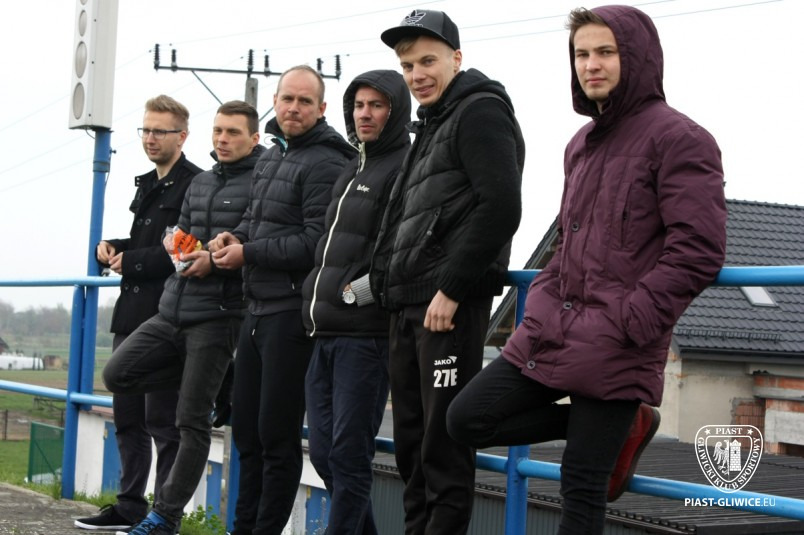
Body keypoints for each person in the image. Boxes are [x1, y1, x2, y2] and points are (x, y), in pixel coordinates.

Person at [446, 6, 727, 534]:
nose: (590, 64)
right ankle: (625, 427)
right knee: (465, 420)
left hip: (619, 340)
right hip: (554, 329)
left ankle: (611, 428)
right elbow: (567, 243)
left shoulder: (681, 138)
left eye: (605, 52)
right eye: (581, 54)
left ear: (637, 58)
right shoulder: (580, 145)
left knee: (580, 485)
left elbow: (699, 249)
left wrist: (630, 320)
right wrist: (544, 299)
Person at [371, 10, 524, 535]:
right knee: (411, 446)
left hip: (446, 307)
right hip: (409, 304)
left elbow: (501, 206)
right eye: (408, 66)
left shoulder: (480, 111)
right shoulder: (433, 122)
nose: (417, 75)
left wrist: (453, 289)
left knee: (442, 448)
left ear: (456, 59)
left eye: (428, 61)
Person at [103, 100, 265, 535]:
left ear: (254, 138)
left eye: (233, 132)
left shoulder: (262, 181)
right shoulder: (203, 182)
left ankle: (165, 518)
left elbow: (252, 241)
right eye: (218, 131)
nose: (223, 139)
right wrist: (181, 247)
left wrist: (212, 256)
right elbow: (180, 237)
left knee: (189, 422)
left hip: (218, 314)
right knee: (117, 374)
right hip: (172, 306)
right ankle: (214, 377)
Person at [209, 65, 355, 535]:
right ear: (274, 101)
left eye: (304, 101)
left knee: (276, 438)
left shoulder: (327, 162)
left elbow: (316, 242)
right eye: (287, 99)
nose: (293, 108)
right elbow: (257, 220)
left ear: (321, 108)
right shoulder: (272, 156)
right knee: (246, 435)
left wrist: (248, 252)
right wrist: (234, 236)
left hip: (291, 315)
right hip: (255, 310)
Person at [75, 95, 200, 532]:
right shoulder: (148, 183)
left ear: (182, 136)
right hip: (131, 314)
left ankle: (162, 516)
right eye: (146, 129)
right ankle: (129, 506)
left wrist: (132, 261)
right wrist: (114, 246)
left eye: (160, 131)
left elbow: (183, 253)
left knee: (163, 422)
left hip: (165, 318)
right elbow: (148, 242)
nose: (150, 138)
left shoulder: (194, 185)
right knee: (127, 419)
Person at [301, 69, 411, 535]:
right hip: (324, 330)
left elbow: (398, 253)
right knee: (325, 453)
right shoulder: (353, 168)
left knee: (348, 454)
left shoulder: (405, 166)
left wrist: (351, 295)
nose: (365, 114)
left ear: (396, 111)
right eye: (359, 105)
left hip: (365, 336)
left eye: (377, 106)